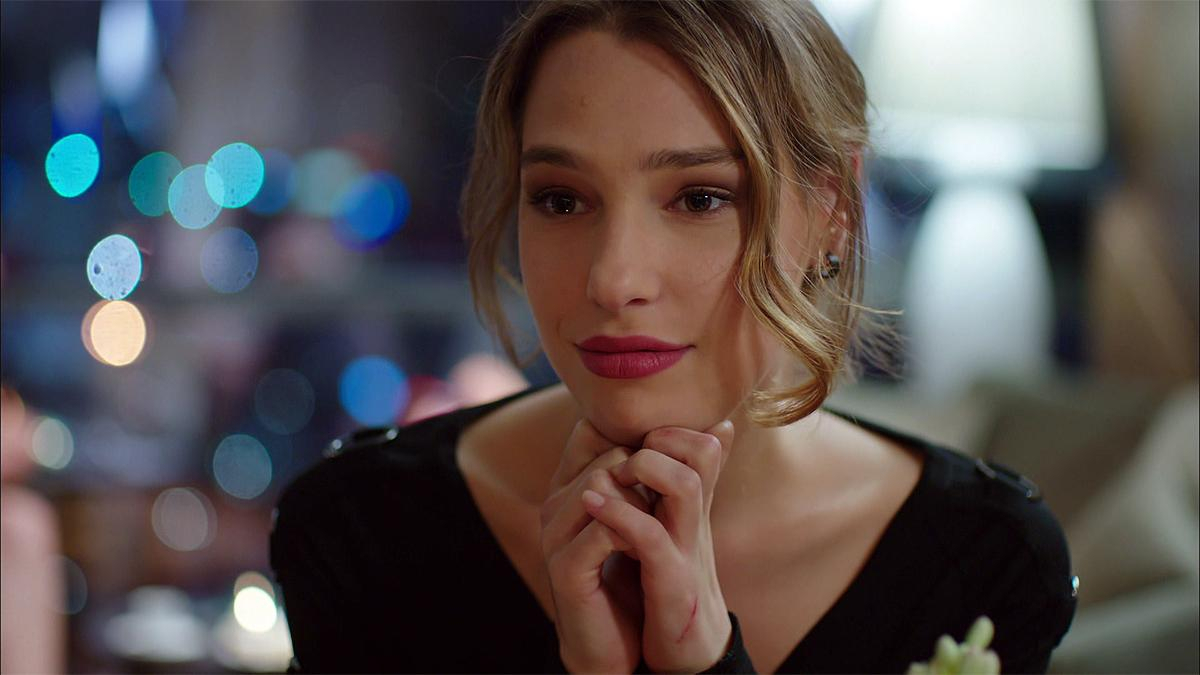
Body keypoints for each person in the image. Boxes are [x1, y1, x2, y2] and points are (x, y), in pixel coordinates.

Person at [269, 1, 1077, 672]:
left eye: (699, 198)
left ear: (832, 210)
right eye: (560, 199)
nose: (612, 278)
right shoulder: (366, 529)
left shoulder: (981, 558)